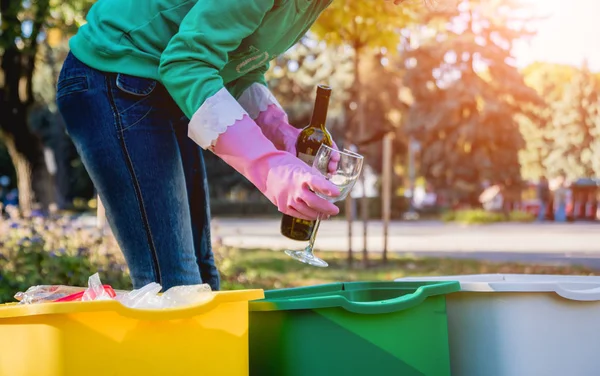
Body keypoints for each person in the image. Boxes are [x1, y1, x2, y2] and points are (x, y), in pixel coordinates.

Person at [56, 0, 408, 291]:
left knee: (202, 280)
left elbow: (240, 62)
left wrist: (279, 132)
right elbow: (187, 63)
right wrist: (269, 167)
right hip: (112, 77)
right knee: (175, 286)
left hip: (161, 86)